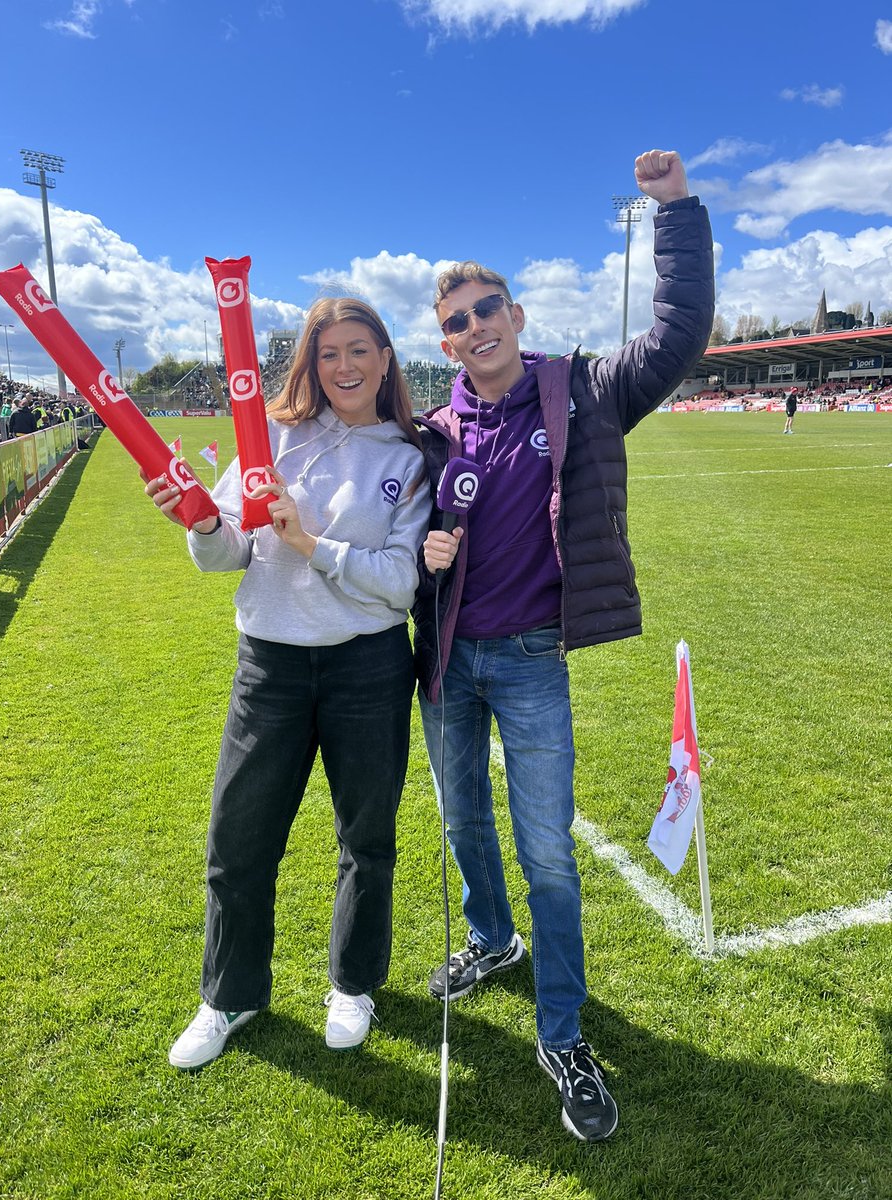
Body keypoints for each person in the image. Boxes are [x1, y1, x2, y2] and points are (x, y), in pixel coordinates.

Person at [413, 150, 714, 1144]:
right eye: (454, 319)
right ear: (445, 341)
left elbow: (676, 336)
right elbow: (380, 524)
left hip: (533, 658)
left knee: (549, 855)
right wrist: (426, 550)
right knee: (465, 823)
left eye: (485, 307)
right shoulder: (432, 429)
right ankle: (490, 941)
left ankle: (562, 1035)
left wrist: (672, 213)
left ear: (518, 313)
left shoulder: (582, 390)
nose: (473, 327)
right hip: (448, 663)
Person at [144, 297, 430, 1069]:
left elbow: (401, 586)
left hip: (367, 668)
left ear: (385, 358)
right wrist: (202, 524)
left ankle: (354, 983)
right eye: (329, 351)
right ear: (309, 360)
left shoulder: (406, 456)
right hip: (268, 665)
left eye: (360, 350)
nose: (345, 366)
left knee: (366, 840)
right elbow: (231, 552)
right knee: (238, 842)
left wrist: (311, 542)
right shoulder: (269, 436)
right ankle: (229, 994)